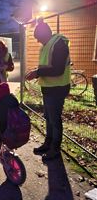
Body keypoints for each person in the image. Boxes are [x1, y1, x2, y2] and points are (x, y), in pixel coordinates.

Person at [25, 18, 71, 161]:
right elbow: (47, 66)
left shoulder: (59, 44)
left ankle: (55, 149)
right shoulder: (46, 45)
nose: (38, 41)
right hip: (48, 88)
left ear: (45, 34)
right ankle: (48, 143)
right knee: (49, 118)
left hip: (58, 88)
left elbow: (58, 70)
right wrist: (37, 71)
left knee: (55, 120)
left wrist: (37, 73)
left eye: (38, 38)